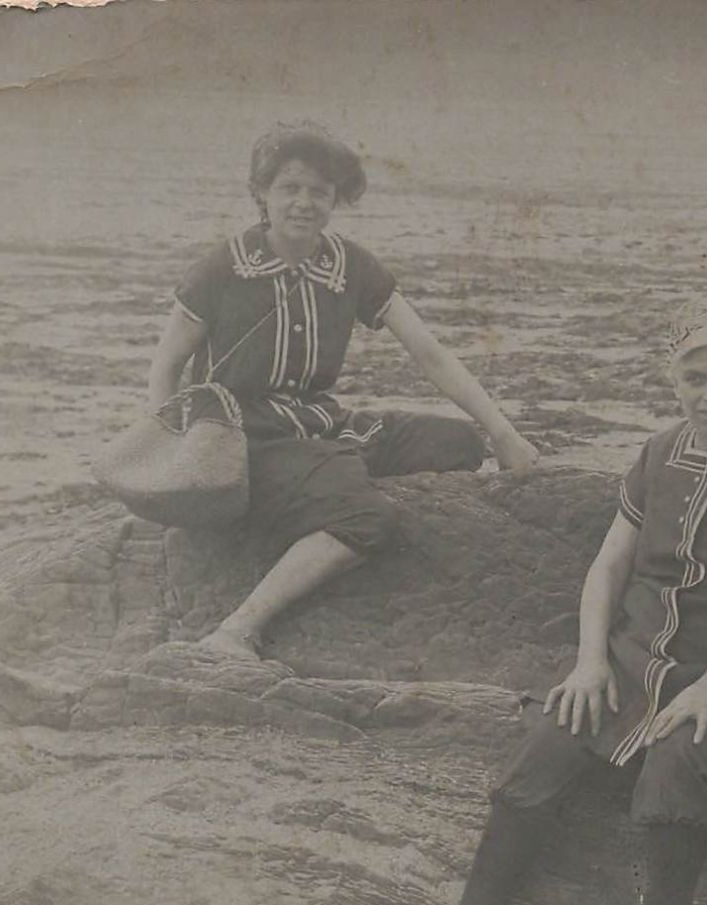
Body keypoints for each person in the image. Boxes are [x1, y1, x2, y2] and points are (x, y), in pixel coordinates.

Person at [386, 300, 707, 905]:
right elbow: (607, 567)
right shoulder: (658, 452)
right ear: (676, 383)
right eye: (695, 380)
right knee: (543, 751)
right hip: (636, 655)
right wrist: (591, 660)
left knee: (676, 772)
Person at [147, 122, 538, 659]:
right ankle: (237, 630)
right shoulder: (225, 266)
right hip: (247, 438)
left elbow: (429, 353)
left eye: (320, 191)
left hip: (320, 425)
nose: (304, 203)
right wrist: (170, 458)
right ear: (262, 192)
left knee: (458, 445)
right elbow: (166, 365)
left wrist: (503, 434)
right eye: (290, 188)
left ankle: (326, 483)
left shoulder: (349, 265)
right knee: (366, 517)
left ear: (337, 198)